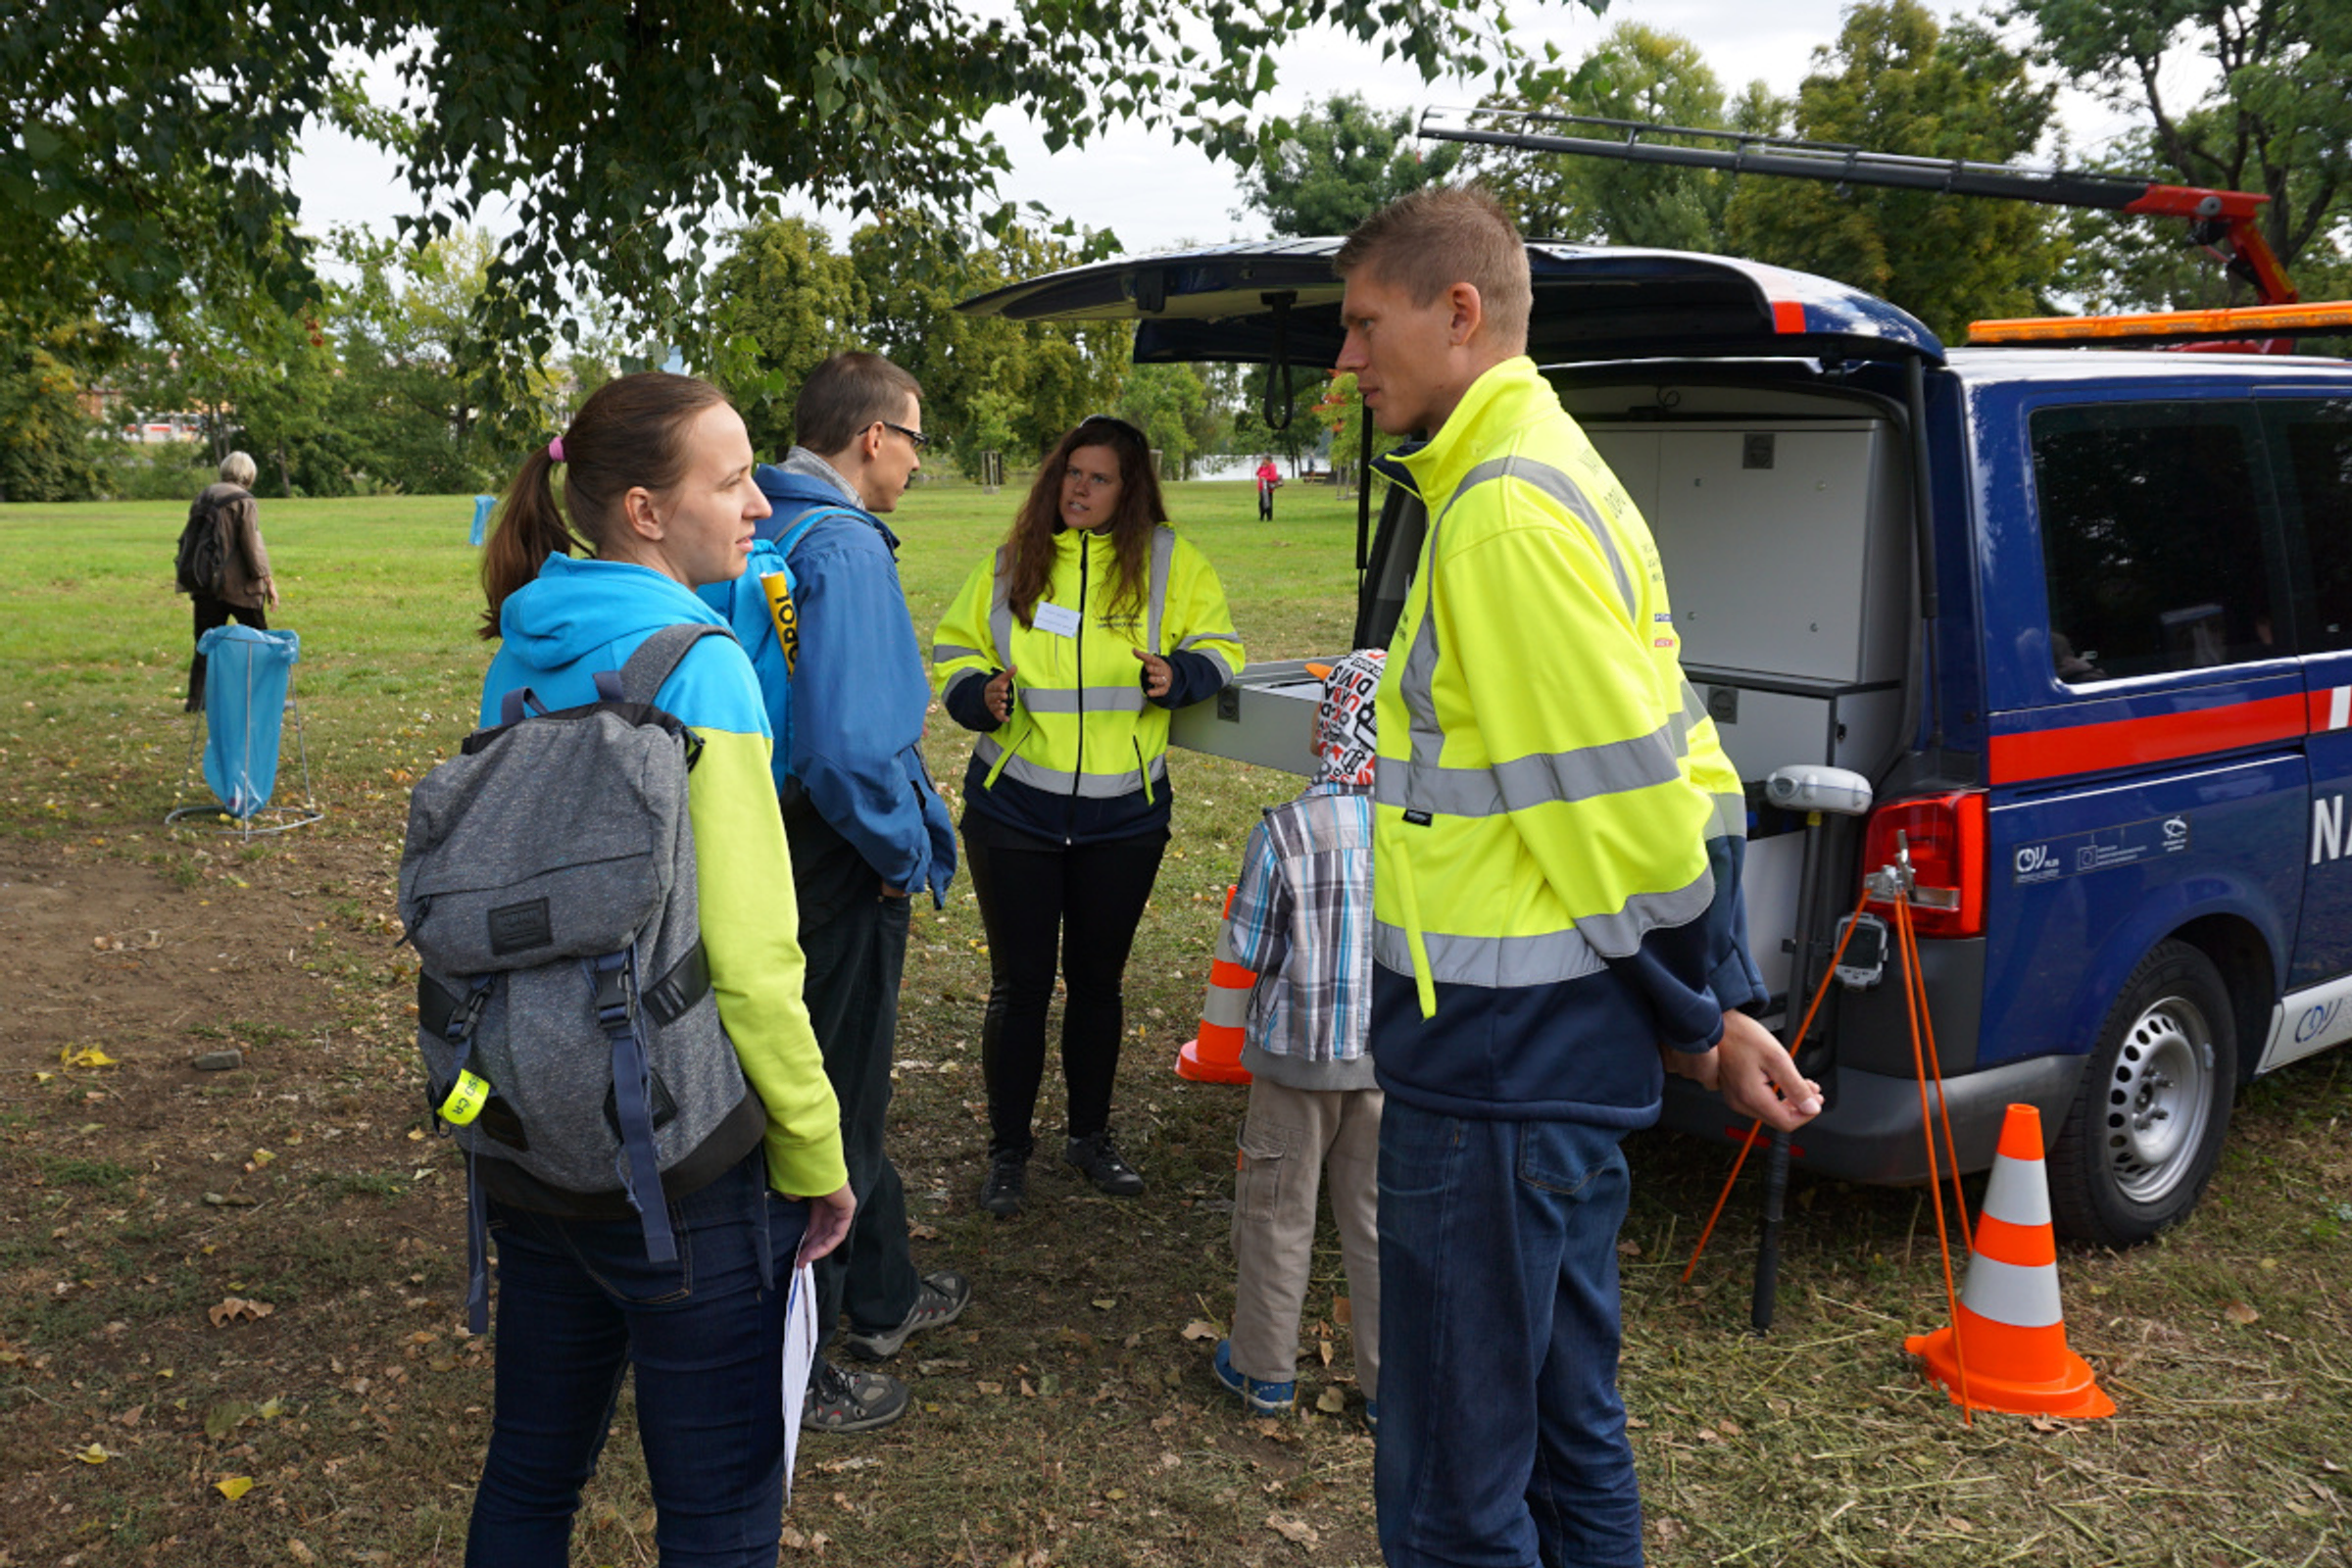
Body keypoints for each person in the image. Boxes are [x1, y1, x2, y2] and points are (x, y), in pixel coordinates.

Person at [1333, 188, 1824, 1567]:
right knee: (1565, 1435)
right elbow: (1689, 771)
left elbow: (1623, 818)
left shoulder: (1500, 513)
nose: (1347, 361)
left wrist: (1695, 1016)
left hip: (1496, 1070)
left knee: (1452, 1487)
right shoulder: (1552, 472)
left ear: (1459, 313)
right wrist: (1709, 1006)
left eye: (1366, 326)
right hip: (1544, 1062)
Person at [465, 369, 856, 1567]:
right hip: (683, 1162)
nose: (760, 507)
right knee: (720, 1514)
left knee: (531, 1473)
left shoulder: (525, 643)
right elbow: (749, 959)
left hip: (533, 1130)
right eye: (732, 480)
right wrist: (817, 1151)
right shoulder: (707, 666)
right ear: (644, 508)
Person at [699, 351, 967, 1437]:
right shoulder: (846, 544)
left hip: (750, 829)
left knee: (816, 1070)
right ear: (872, 438)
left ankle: (885, 1287)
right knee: (831, 1089)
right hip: (833, 844)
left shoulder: (750, 519)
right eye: (913, 438)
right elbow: (855, 751)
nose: (916, 460)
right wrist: (906, 854)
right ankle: (800, 1357)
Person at [933, 416, 1246, 1216]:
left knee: (1097, 986)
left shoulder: (1171, 563)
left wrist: (1179, 676)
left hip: (1123, 818)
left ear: (1130, 489)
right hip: (1014, 814)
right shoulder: (1013, 564)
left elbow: (1221, 648)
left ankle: (1089, 1138)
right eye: (1072, 473)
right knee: (1020, 987)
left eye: (1099, 477)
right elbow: (958, 651)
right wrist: (979, 695)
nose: (1079, 488)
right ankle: (1008, 1154)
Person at [1211, 649, 1386, 1429]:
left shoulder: (1285, 832)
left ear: (1328, 727)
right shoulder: (1433, 834)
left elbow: (1247, 949)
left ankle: (1262, 1372)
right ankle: (1392, 1390)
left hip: (1292, 1061)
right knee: (1380, 1222)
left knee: (1277, 1215)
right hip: (1392, 1064)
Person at [182, 451, 276, 710]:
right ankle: (266, 698)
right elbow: (251, 545)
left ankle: (195, 700)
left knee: (205, 644)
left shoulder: (204, 496)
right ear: (248, 473)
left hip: (204, 584)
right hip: (238, 587)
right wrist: (267, 580)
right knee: (261, 644)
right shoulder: (243, 500)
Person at [1254, 454, 1282, 520]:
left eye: (1264, 460)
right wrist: (1261, 466)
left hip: (1268, 488)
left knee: (1267, 502)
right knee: (1261, 502)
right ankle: (1262, 516)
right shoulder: (1263, 467)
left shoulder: (1272, 466)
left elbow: (1273, 477)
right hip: (1262, 488)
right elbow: (1257, 473)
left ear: (1268, 460)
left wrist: (1265, 478)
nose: (1263, 461)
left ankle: (1269, 517)